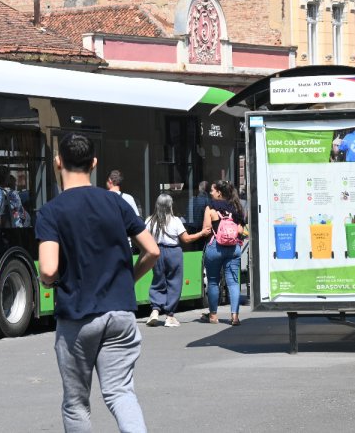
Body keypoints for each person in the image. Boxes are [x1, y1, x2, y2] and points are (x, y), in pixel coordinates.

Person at [37, 133, 160, 432]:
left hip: (78, 317)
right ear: (94, 163)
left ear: (57, 163)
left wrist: (47, 282)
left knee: (76, 402)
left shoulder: (51, 211)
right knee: (120, 392)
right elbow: (152, 250)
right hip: (120, 313)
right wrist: (127, 280)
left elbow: (49, 270)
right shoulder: (116, 203)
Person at [145, 194, 210, 327]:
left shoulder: (149, 221)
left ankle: (155, 311)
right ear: (170, 206)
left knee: (158, 280)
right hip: (173, 252)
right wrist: (202, 233)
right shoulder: (175, 221)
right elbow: (186, 239)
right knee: (174, 282)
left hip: (156, 252)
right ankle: (169, 316)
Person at [201, 180, 246, 326]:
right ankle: (235, 316)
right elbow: (240, 231)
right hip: (233, 248)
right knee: (233, 282)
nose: (211, 193)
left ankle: (213, 316)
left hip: (214, 247)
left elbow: (206, 229)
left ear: (219, 192)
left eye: (213, 190)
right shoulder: (237, 208)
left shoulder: (211, 208)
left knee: (213, 281)